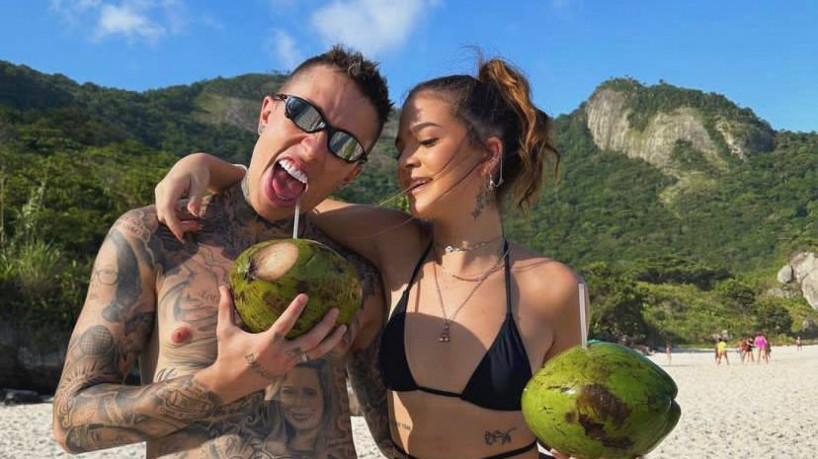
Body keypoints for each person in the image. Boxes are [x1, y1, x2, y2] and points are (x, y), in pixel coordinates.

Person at [156, 58, 589, 459]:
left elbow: (573, 425)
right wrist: (206, 165)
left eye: (426, 141)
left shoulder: (553, 287)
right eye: (401, 148)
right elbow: (295, 199)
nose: (406, 161)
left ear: (489, 154)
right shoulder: (394, 244)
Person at [52, 46, 399, 459]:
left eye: (343, 144)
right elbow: (70, 423)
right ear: (266, 113)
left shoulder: (355, 279)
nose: (312, 149)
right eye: (304, 114)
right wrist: (225, 381)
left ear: (352, 173)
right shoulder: (155, 237)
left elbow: (397, 439)